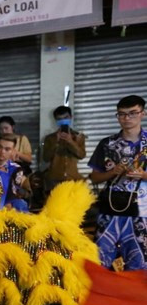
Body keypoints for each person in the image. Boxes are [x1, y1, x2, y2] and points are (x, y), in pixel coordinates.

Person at [88, 95, 147, 270]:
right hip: (110, 208)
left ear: (143, 113)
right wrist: (113, 172)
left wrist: (143, 175)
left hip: (142, 210)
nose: (127, 118)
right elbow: (94, 177)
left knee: (140, 262)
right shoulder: (107, 144)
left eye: (132, 113)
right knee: (100, 259)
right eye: (121, 114)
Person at [42, 105, 86, 194]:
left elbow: (82, 155)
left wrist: (71, 142)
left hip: (73, 179)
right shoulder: (50, 138)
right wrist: (56, 142)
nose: (63, 121)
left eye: (66, 117)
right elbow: (46, 158)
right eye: (59, 119)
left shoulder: (78, 137)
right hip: (54, 180)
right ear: (56, 120)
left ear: (71, 117)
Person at [0, 134, 32, 212]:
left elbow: (14, 191)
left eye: (7, 149)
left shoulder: (16, 169)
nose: (2, 152)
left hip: (10, 204)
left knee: (20, 204)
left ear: (13, 151)